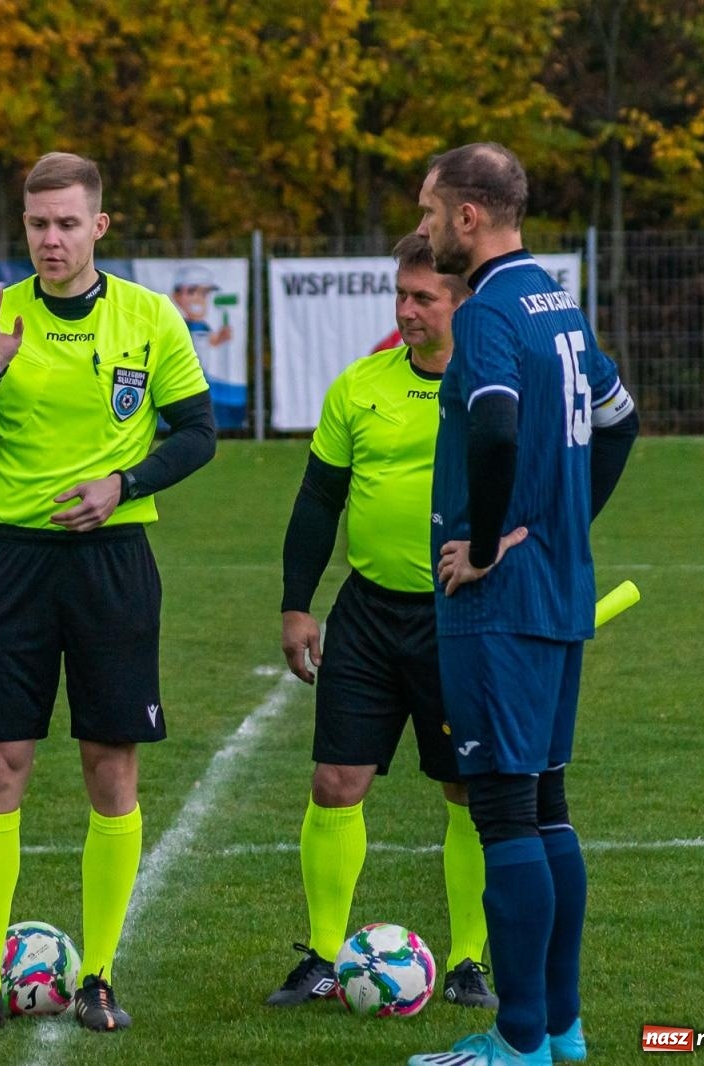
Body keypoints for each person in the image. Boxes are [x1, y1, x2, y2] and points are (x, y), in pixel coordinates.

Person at [0, 151, 216, 1037]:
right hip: (11, 563)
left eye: (66, 223)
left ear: (99, 227)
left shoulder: (149, 318)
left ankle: (100, 976)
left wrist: (123, 483)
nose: (51, 239)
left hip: (114, 563)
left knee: (109, 768)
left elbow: (198, 433)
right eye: (37, 225)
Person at [406, 143, 638, 1066]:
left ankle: (516, 1041)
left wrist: (495, 535)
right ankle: (562, 1030)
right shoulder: (560, 305)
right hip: (557, 591)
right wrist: (560, 522)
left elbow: (495, 424)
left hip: (497, 606)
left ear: (469, 216)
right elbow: (621, 421)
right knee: (546, 807)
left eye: (429, 211)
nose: (423, 228)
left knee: (505, 814)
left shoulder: (495, 309)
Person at [266, 233, 497, 1012]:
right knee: (335, 782)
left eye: (423, 298)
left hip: (461, 616)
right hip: (367, 612)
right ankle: (325, 955)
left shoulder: (492, 390)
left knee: (468, 789)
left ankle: (469, 959)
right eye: (399, 295)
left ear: (462, 302)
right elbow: (317, 501)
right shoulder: (358, 386)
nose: (405, 311)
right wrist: (298, 604)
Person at [169, 264, 243, 429]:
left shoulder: (202, 326)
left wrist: (220, 337)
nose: (198, 299)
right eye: (192, 292)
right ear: (177, 296)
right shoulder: (181, 325)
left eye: (204, 293)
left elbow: (207, 341)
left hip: (201, 379)